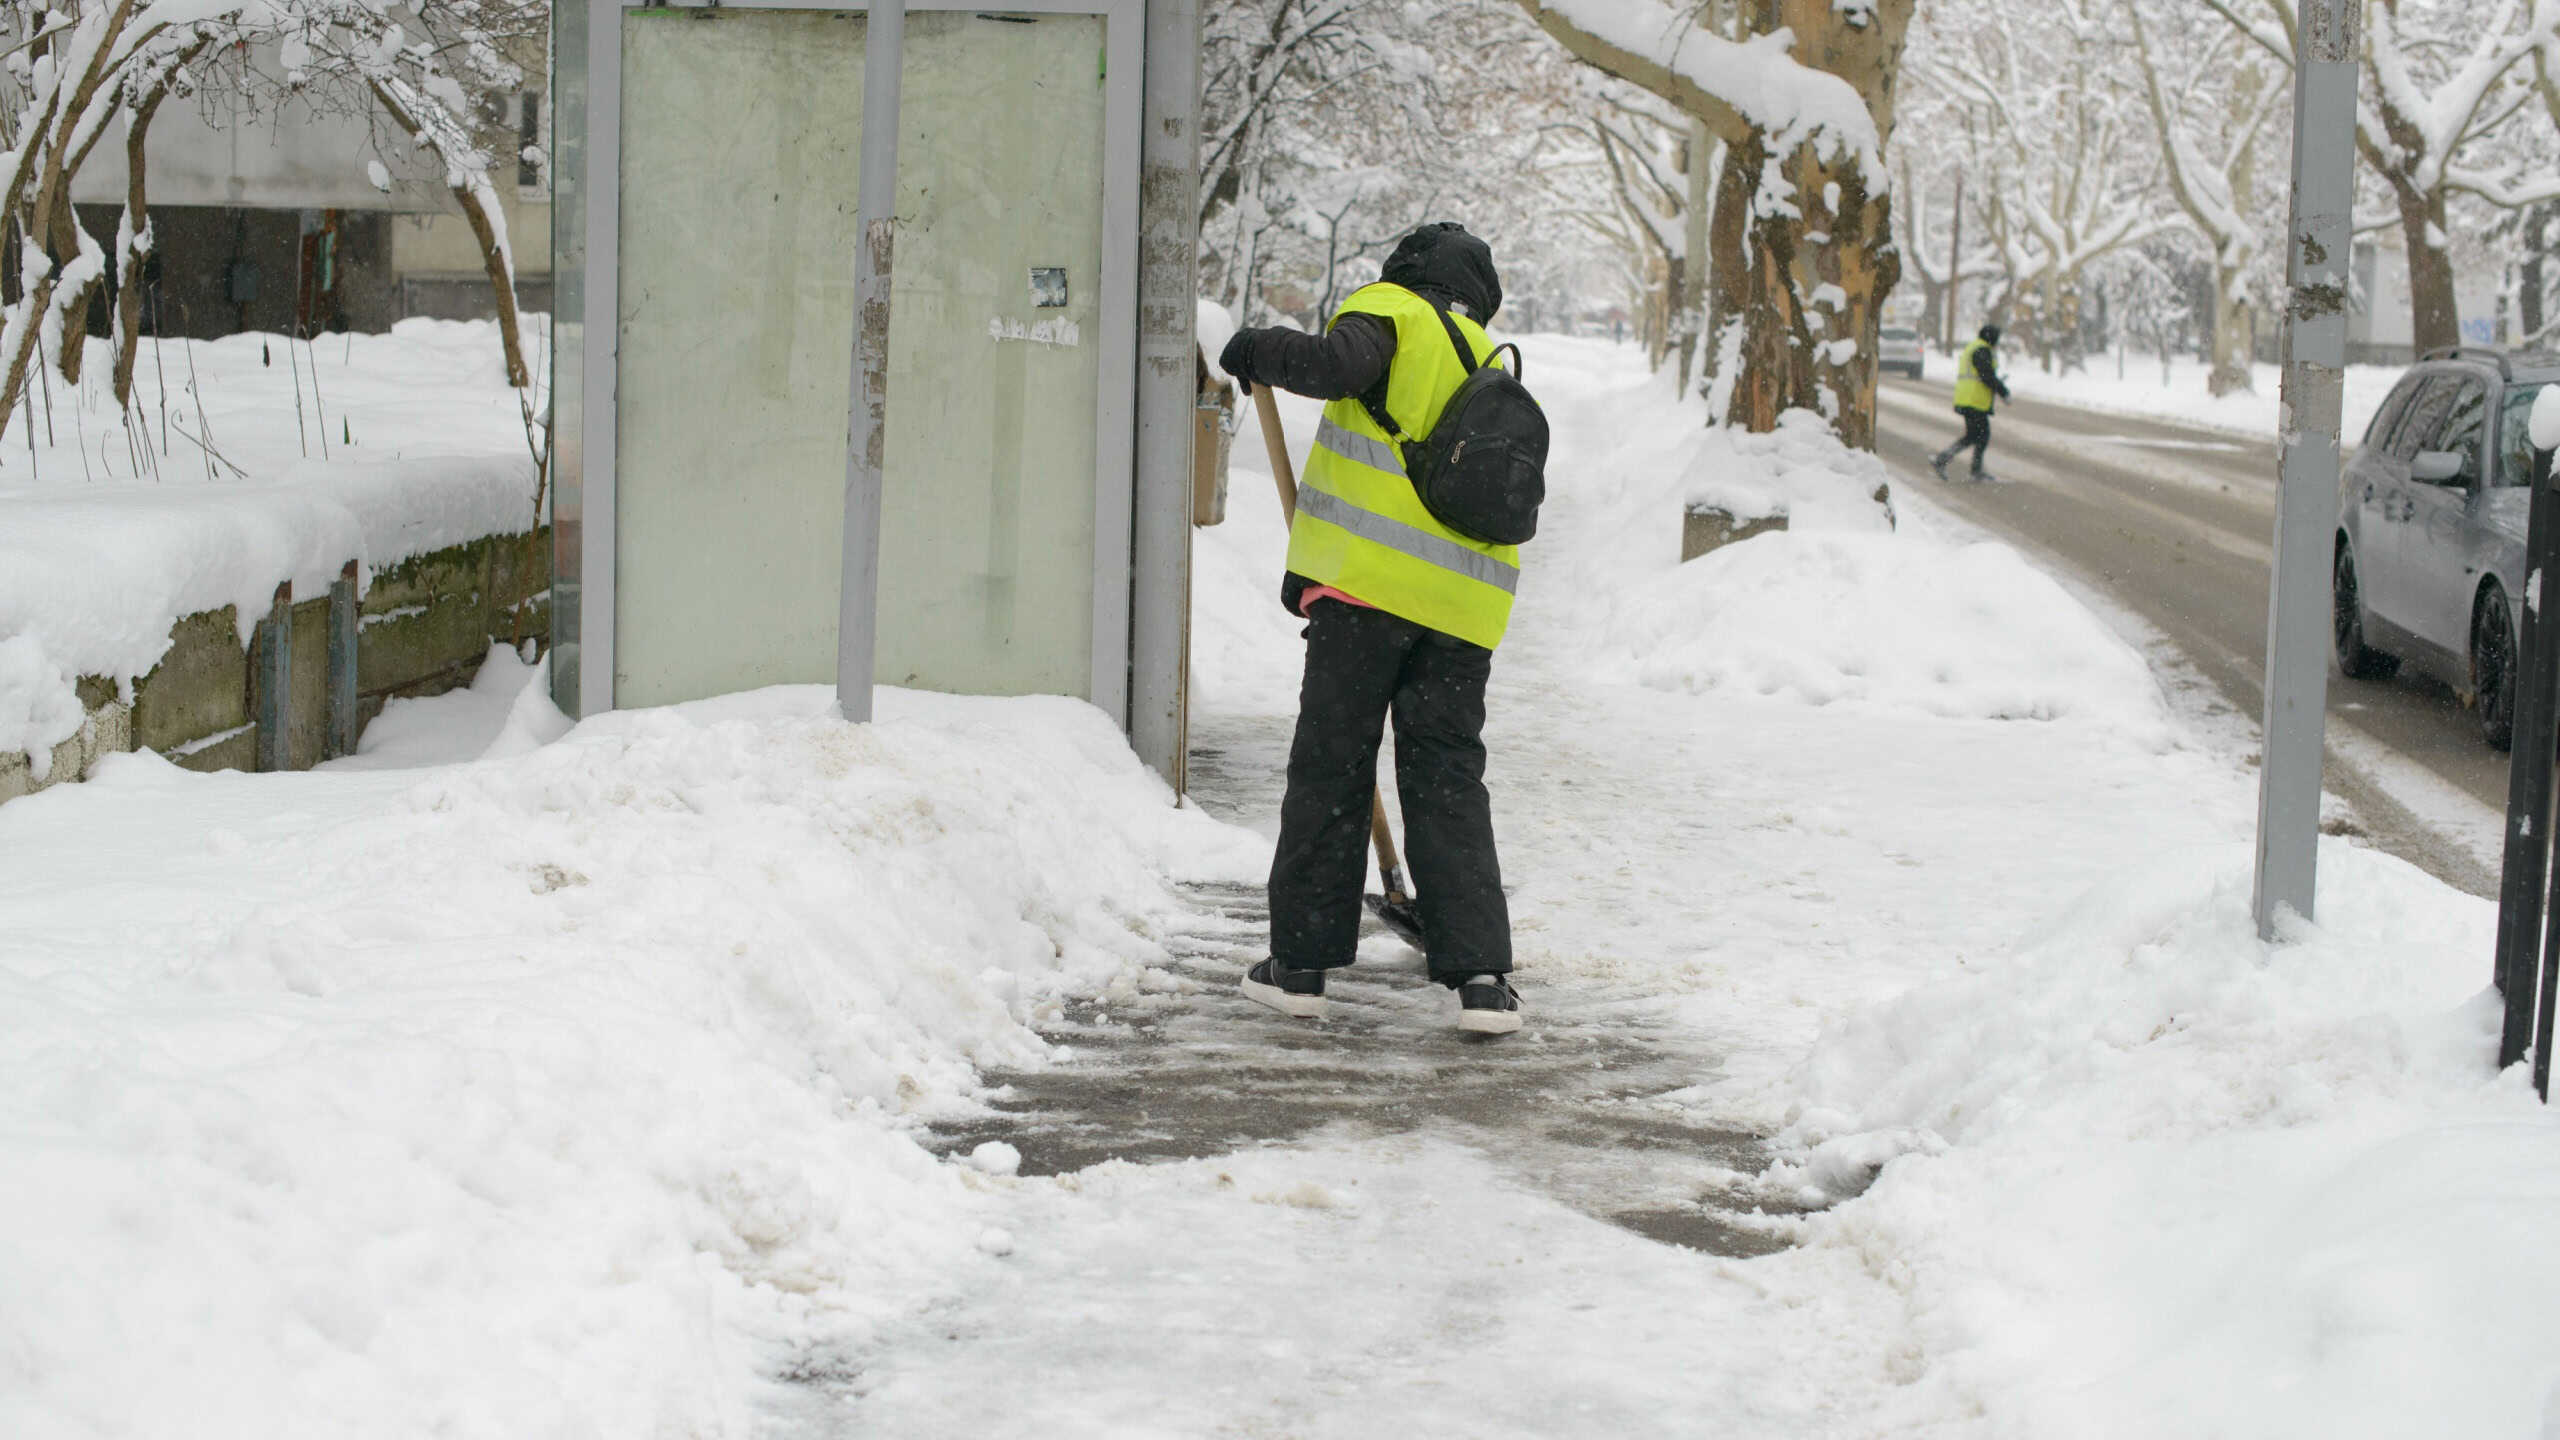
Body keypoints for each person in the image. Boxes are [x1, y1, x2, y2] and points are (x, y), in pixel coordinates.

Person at [1216, 221, 1524, 1036]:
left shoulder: (1394, 311)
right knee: (1449, 780)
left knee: (1333, 768)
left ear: (1407, 272)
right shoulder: (1484, 357)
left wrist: (1253, 347)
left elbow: (1332, 366)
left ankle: (1301, 968)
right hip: (1465, 614)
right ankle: (1482, 981)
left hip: (1367, 600)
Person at [1932, 323, 2013, 481]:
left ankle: (1944, 460)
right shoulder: (1982, 350)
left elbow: (1982, 374)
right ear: (1992, 338)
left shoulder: (1974, 347)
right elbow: (1986, 375)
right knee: (1981, 435)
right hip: (1973, 401)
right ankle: (1973, 470)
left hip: (1968, 399)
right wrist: (2003, 392)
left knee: (1973, 435)